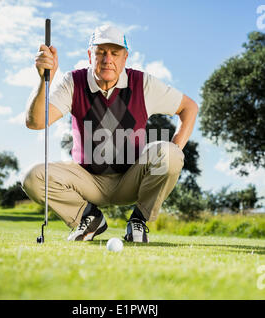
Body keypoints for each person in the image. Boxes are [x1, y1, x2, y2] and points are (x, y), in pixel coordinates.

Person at [22, 25, 198, 243]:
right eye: (100, 52)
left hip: (132, 179)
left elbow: (189, 107)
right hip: (87, 180)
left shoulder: (142, 83)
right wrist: (44, 79)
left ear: (125, 57)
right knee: (32, 178)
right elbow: (36, 122)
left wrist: (171, 160)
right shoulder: (73, 82)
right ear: (89, 55)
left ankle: (138, 220)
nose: (108, 59)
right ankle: (90, 218)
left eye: (115, 53)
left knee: (170, 153)